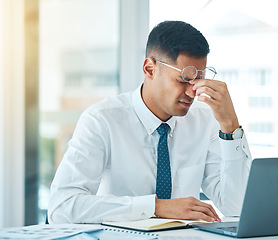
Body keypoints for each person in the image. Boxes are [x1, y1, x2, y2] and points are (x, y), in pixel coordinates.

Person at [48, 20, 252, 224]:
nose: (192, 92)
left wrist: (230, 126)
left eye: (199, 80)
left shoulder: (205, 120)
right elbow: (62, 207)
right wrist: (156, 207)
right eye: (183, 80)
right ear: (149, 69)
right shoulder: (102, 120)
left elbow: (236, 207)